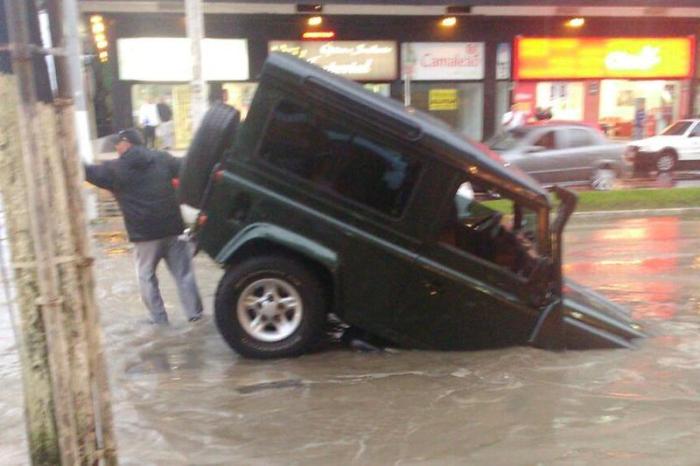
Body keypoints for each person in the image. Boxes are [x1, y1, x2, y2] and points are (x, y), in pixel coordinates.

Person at [84, 129, 203, 324]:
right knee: (184, 274)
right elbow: (187, 168)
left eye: (117, 143)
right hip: (173, 229)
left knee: (146, 277)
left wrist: (74, 156)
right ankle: (196, 316)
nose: (115, 147)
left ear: (126, 143)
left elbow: (89, 172)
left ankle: (160, 322)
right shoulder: (162, 158)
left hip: (144, 236)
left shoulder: (115, 169)